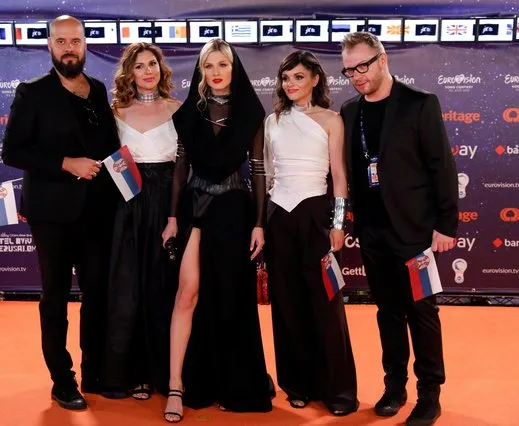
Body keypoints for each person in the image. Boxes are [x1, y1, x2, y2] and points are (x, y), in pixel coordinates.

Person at [340, 32, 459, 426]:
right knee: (387, 313)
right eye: (349, 69)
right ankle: (395, 387)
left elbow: (442, 167)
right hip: (371, 232)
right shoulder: (349, 111)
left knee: (421, 313)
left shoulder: (420, 104)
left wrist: (445, 225)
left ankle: (430, 395)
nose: (357, 75)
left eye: (363, 65)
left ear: (382, 58)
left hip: (414, 232)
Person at [1, 15, 119, 410]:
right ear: (49, 46)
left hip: (98, 212)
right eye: (61, 41)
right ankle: (62, 380)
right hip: (52, 214)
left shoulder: (99, 90)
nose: (70, 47)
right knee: (54, 297)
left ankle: (95, 371)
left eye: (76, 40)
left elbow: (110, 149)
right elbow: (12, 152)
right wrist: (66, 162)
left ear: (86, 45)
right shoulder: (32, 93)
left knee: (97, 295)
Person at [161, 38, 272, 422]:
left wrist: (259, 223)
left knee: (230, 298)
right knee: (187, 294)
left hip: (235, 211)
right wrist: (173, 217)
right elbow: (181, 166)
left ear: (234, 67)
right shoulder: (190, 111)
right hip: (194, 208)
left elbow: (257, 169)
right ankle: (177, 385)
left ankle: (232, 383)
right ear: (202, 71)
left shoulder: (251, 111)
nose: (217, 72)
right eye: (209, 66)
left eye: (223, 64)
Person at [262, 50, 358, 416]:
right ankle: (296, 384)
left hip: (317, 214)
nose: (291, 84)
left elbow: (340, 177)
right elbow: (268, 175)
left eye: (298, 77)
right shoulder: (272, 121)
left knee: (325, 304)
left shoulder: (332, 120)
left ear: (315, 79)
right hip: (279, 217)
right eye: (286, 78)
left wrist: (338, 224)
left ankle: (338, 391)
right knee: (286, 304)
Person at [100, 43, 181, 401]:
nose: (147, 71)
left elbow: (187, 168)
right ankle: (129, 374)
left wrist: (177, 214)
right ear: (129, 74)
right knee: (127, 289)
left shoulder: (180, 110)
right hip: (127, 206)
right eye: (139, 66)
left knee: (164, 288)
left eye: (153, 64)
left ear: (162, 70)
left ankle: (167, 375)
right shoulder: (113, 111)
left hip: (169, 206)